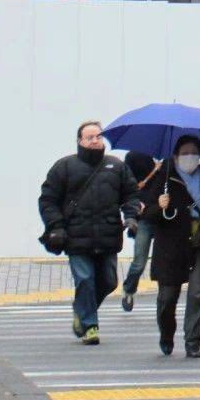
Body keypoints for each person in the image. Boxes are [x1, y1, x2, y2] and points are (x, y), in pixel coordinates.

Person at [38, 121, 142, 345]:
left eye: (98, 136)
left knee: (108, 281)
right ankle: (90, 326)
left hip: (108, 235)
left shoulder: (117, 167)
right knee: (85, 279)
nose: (95, 140)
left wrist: (131, 217)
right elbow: (48, 200)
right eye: (90, 137)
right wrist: (55, 226)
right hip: (75, 237)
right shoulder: (64, 167)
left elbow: (131, 195)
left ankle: (81, 309)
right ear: (79, 141)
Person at [144, 135, 200, 357]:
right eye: (185, 152)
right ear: (176, 155)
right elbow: (147, 212)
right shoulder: (164, 177)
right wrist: (159, 206)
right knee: (167, 297)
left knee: (198, 293)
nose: (190, 157)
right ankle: (166, 333)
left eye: (194, 152)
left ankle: (193, 343)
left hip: (199, 244)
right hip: (170, 246)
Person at [118, 150, 159, 313]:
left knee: (164, 260)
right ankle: (129, 290)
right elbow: (129, 187)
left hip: (162, 215)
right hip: (143, 217)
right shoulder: (133, 156)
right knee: (139, 262)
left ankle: (165, 296)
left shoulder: (166, 158)